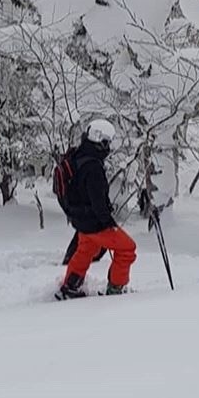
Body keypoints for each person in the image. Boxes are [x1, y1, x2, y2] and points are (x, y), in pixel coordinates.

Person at [56, 119, 136, 299]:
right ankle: (116, 288)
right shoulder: (93, 168)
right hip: (94, 222)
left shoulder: (77, 156)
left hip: (80, 219)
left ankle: (71, 286)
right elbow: (97, 201)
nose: (109, 147)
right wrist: (109, 223)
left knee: (86, 250)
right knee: (127, 248)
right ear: (101, 142)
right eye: (107, 142)